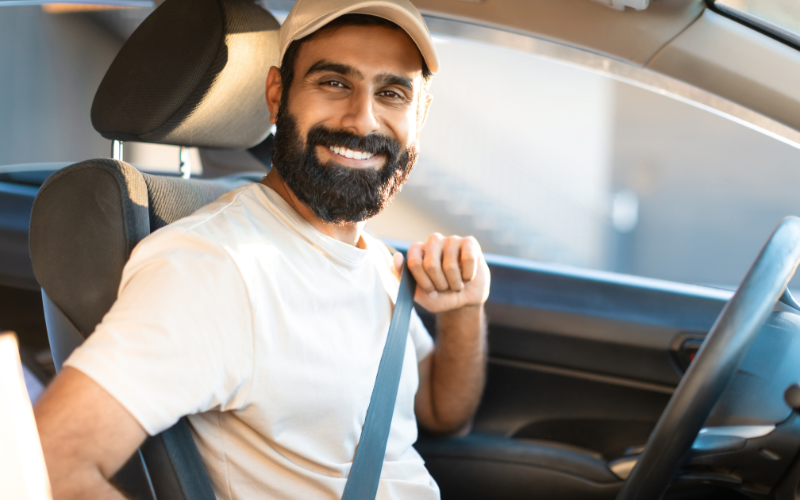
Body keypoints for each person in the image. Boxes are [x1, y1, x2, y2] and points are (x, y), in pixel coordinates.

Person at [34, 0, 491, 498]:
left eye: (392, 92)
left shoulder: (375, 262)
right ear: (277, 95)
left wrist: (464, 310)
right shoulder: (215, 267)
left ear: (419, 115)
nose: (363, 120)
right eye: (334, 82)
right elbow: (52, 460)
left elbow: (443, 412)